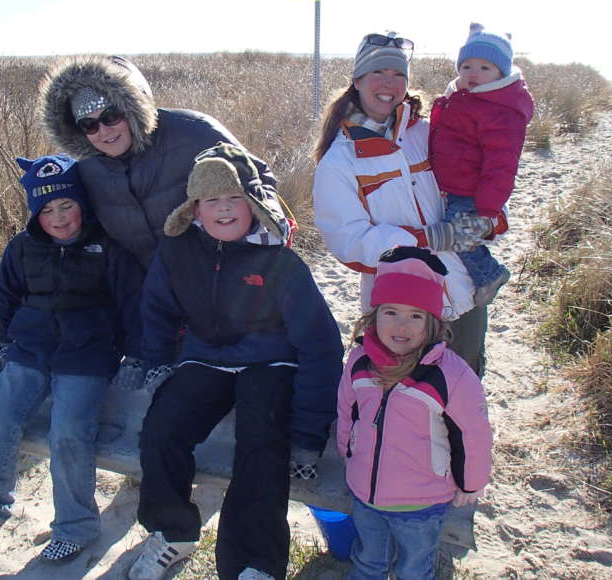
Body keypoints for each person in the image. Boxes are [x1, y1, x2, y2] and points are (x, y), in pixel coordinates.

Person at [126, 143, 343, 580]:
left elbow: (322, 346)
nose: (223, 209)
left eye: (234, 199)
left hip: (271, 363)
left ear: (252, 205)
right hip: (206, 358)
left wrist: (307, 436)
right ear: (196, 210)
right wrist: (155, 359)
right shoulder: (178, 252)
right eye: (212, 200)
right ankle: (172, 532)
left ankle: (253, 563)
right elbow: (157, 309)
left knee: (261, 444)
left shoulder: (279, 260)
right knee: (162, 428)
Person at [0, 155, 144, 563]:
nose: (58, 218)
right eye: (47, 210)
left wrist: (136, 355)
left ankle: (76, 525)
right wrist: (4, 341)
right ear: (35, 213)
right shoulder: (23, 248)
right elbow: (4, 295)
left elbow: (132, 304)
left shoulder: (108, 247)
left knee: (68, 431)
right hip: (30, 349)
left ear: (82, 204)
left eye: (67, 205)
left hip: (88, 355)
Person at [312, 31, 496, 378]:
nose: (389, 83)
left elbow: (477, 182)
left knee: (464, 391)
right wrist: (427, 240)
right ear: (357, 80)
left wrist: (488, 222)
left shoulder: (431, 132)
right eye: (378, 73)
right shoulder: (339, 160)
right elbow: (349, 243)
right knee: (402, 405)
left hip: (462, 293)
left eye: (399, 74)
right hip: (400, 309)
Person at [38, 54, 288, 270]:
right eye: (89, 125)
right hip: (153, 295)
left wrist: (264, 232)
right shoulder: (87, 167)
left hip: (220, 276)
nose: (103, 130)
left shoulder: (193, 132)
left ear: (133, 107)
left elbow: (258, 178)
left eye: (111, 116)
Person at [337, 246, 493, 579]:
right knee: (368, 562)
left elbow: (472, 434)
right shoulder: (359, 363)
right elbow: (347, 412)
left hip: (422, 503)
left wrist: (470, 483)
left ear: (434, 322)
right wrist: (349, 454)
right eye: (391, 312)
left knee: (413, 568)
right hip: (366, 495)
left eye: (415, 315)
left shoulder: (450, 375)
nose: (401, 325)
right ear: (373, 315)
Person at [428, 22, 534, 306]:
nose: (473, 73)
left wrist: (488, 207)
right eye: (467, 66)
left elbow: (502, 164)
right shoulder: (465, 98)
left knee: (456, 235)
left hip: (471, 191)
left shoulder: (501, 111)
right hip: (451, 185)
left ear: (501, 73)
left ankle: (489, 274)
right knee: (451, 235)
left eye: (485, 68)